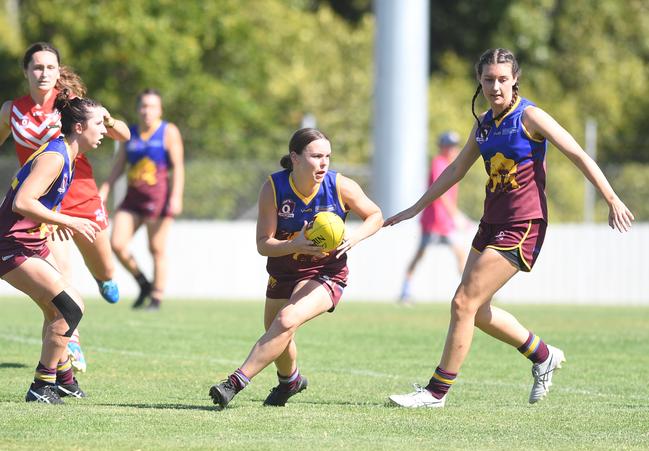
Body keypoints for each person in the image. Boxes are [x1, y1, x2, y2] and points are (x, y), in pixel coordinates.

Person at [385, 48, 634, 408]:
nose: (495, 86)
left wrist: (611, 197)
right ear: (480, 81)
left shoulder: (529, 116)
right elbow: (456, 171)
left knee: (462, 302)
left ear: (515, 79)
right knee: (477, 310)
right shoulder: (484, 123)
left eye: (502, 79)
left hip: (523, 223)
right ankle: (543, 355)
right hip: (492, 222)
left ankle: (436, 393)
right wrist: (415, 208)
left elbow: (578, 153)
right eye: (488, 79)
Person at [209, 128, 383, 409]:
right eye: (316, 156)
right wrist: (295, 245)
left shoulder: (340, 186)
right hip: (284, 271)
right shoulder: (274, 188)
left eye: (327, 156)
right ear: (296, 158)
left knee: (287, 319)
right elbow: (263, 244)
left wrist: (353, 238)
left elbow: (375, 214)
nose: (324, 163)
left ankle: (235, 382)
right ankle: (290, 381)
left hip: (326, 272)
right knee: (276, 330)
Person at [0, 42, 131, 373]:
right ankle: (69, 347)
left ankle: (104, 278)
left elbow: (125, 135)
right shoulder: (12, 111)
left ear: (60, 71)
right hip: (44, 203)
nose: (43, 73)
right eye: (37, 67)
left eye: (50, 67)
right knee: (62, 283)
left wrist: (106, 118)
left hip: (81, 196)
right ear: (26, 71)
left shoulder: (73, 107)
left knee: (104, 270)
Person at [0, 90, 107, 403]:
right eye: (99, 123)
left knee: (58, 310)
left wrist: (52, 220)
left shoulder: (68, 155)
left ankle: (63, 379)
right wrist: (68, 221)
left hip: (28, 241)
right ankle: (41, 386)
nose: (104, 129)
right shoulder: (56, 155)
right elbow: (22, 202)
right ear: (78, 127)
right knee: (69, 308)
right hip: (11, 245)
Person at [99, 89, 184, 310]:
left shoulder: (168, 131)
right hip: (132, 199)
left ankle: (156, 297)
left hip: (159, 200)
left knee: (156, 248)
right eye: (144, 106)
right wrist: (106, 187)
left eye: (152, 106)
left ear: (160, 110)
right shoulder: (132, 133)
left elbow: (178, 167)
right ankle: (142, 282)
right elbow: (119, 164)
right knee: (116, 244)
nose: (147, 111)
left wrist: (176, 196)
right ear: (138, 109)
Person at [398, 131, 468, 303]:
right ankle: (405, 291)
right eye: (448, 146)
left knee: (460, 254)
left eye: (453, 146)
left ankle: (470, 291)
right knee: (420, 255)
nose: (451, 149)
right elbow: (441, 194)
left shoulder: (451, 164)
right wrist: (456, 215)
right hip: (434, 221)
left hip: (445, 222)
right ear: (441, 147)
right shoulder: (439, 163)